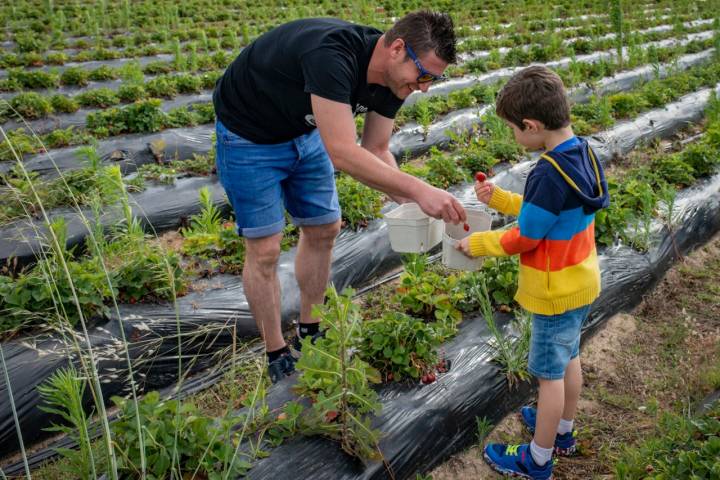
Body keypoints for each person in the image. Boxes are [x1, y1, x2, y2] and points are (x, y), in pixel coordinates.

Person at [213, 11, 467, 383]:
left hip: (306, 131)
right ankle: (275, 349)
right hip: (250, 136)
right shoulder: (332, 56)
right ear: (397, 49)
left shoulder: (395, 82)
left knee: (325, 228)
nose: (425, 87)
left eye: (434, 79)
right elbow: (343, 152)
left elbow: (377, 147)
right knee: (265, 248)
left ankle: (311, 328)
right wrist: (418, 188)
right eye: (424, 75)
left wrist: (413, 205)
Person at [456, 66, 610, 479]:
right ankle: (562, 430)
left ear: (531, 125)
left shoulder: (546, 170)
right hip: (582, 280)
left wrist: (480, 244)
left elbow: (527, 237)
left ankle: (537, 459)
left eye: (513, 129)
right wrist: (502, 198)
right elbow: (550, 211)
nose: (514, 137)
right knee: (569, 358)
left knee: (549, 377)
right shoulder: (582, 153)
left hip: (553, 291)